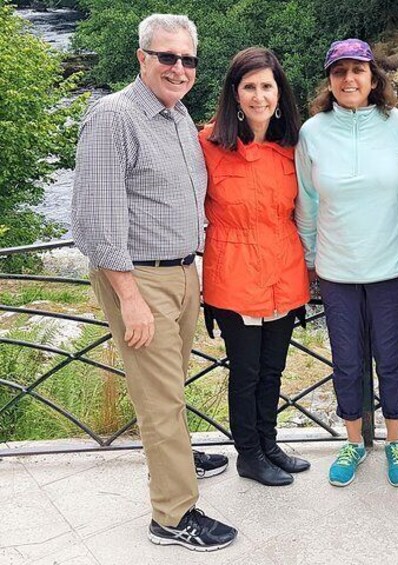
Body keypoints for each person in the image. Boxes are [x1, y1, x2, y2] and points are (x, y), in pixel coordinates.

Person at [71, 13, 237, 551]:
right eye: (167, 56)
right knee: (159, 400)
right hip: (139, 278)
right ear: (142, 58)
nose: (179, 67)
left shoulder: (177, 114)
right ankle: (173, 515)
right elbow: (96, 218)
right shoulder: (114, 116)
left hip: (181, 270)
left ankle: (179, 461)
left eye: (188, 59)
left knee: (170, 384)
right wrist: (130, 298)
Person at [295, 39, 398, 488]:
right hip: (336, 271)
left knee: (391, 358)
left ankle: (395, 441)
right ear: (329, 81)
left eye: (358, 70)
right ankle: (352, 442)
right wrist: (310, 259)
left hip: (391, 266)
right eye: (339, 72)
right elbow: (308, 203)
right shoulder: (312, 132)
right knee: (347, 361)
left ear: (374, 77)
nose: (349, 79)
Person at [200, 47, 311, 487]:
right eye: (250, 87)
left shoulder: (292, 147)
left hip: (284, 271)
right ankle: (248, 453)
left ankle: (269, 443)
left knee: (273, 368)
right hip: (234, 273)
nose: (260, 96)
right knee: (245, 372)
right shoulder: (207, 145)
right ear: (235, 93)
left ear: (279, 92)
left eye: (267, 86)